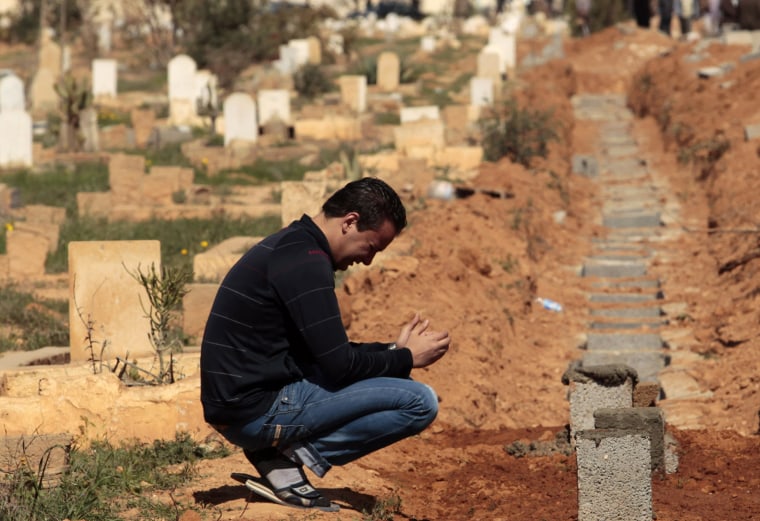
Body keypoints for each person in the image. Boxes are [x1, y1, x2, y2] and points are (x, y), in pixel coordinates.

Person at [200, 177, 452, 511]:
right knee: (419, 401)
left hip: (239, 406)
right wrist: (406, 358)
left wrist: (394, 352)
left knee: (399, 381)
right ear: (350, 222)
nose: (367, 261)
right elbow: (338, 367)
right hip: (253, 411)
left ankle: (277, 453)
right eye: (371, 247)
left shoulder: (294, 247)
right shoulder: (306, 263)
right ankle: (287, 457)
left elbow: (325, 354)